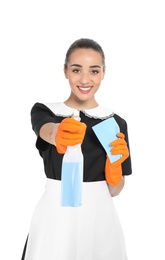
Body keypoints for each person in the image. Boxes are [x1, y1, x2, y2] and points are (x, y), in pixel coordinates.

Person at [21, 38, 132, 260]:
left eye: (94, 71)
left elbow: (115, 189)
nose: (84, 79)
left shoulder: (115, 123)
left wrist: (115, 171)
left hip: (101, 216)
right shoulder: (46, 111)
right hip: (56, 213)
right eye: (76, 70)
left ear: (103, 73)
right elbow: (45, 130)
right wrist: (57, 133)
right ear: (65, 71)